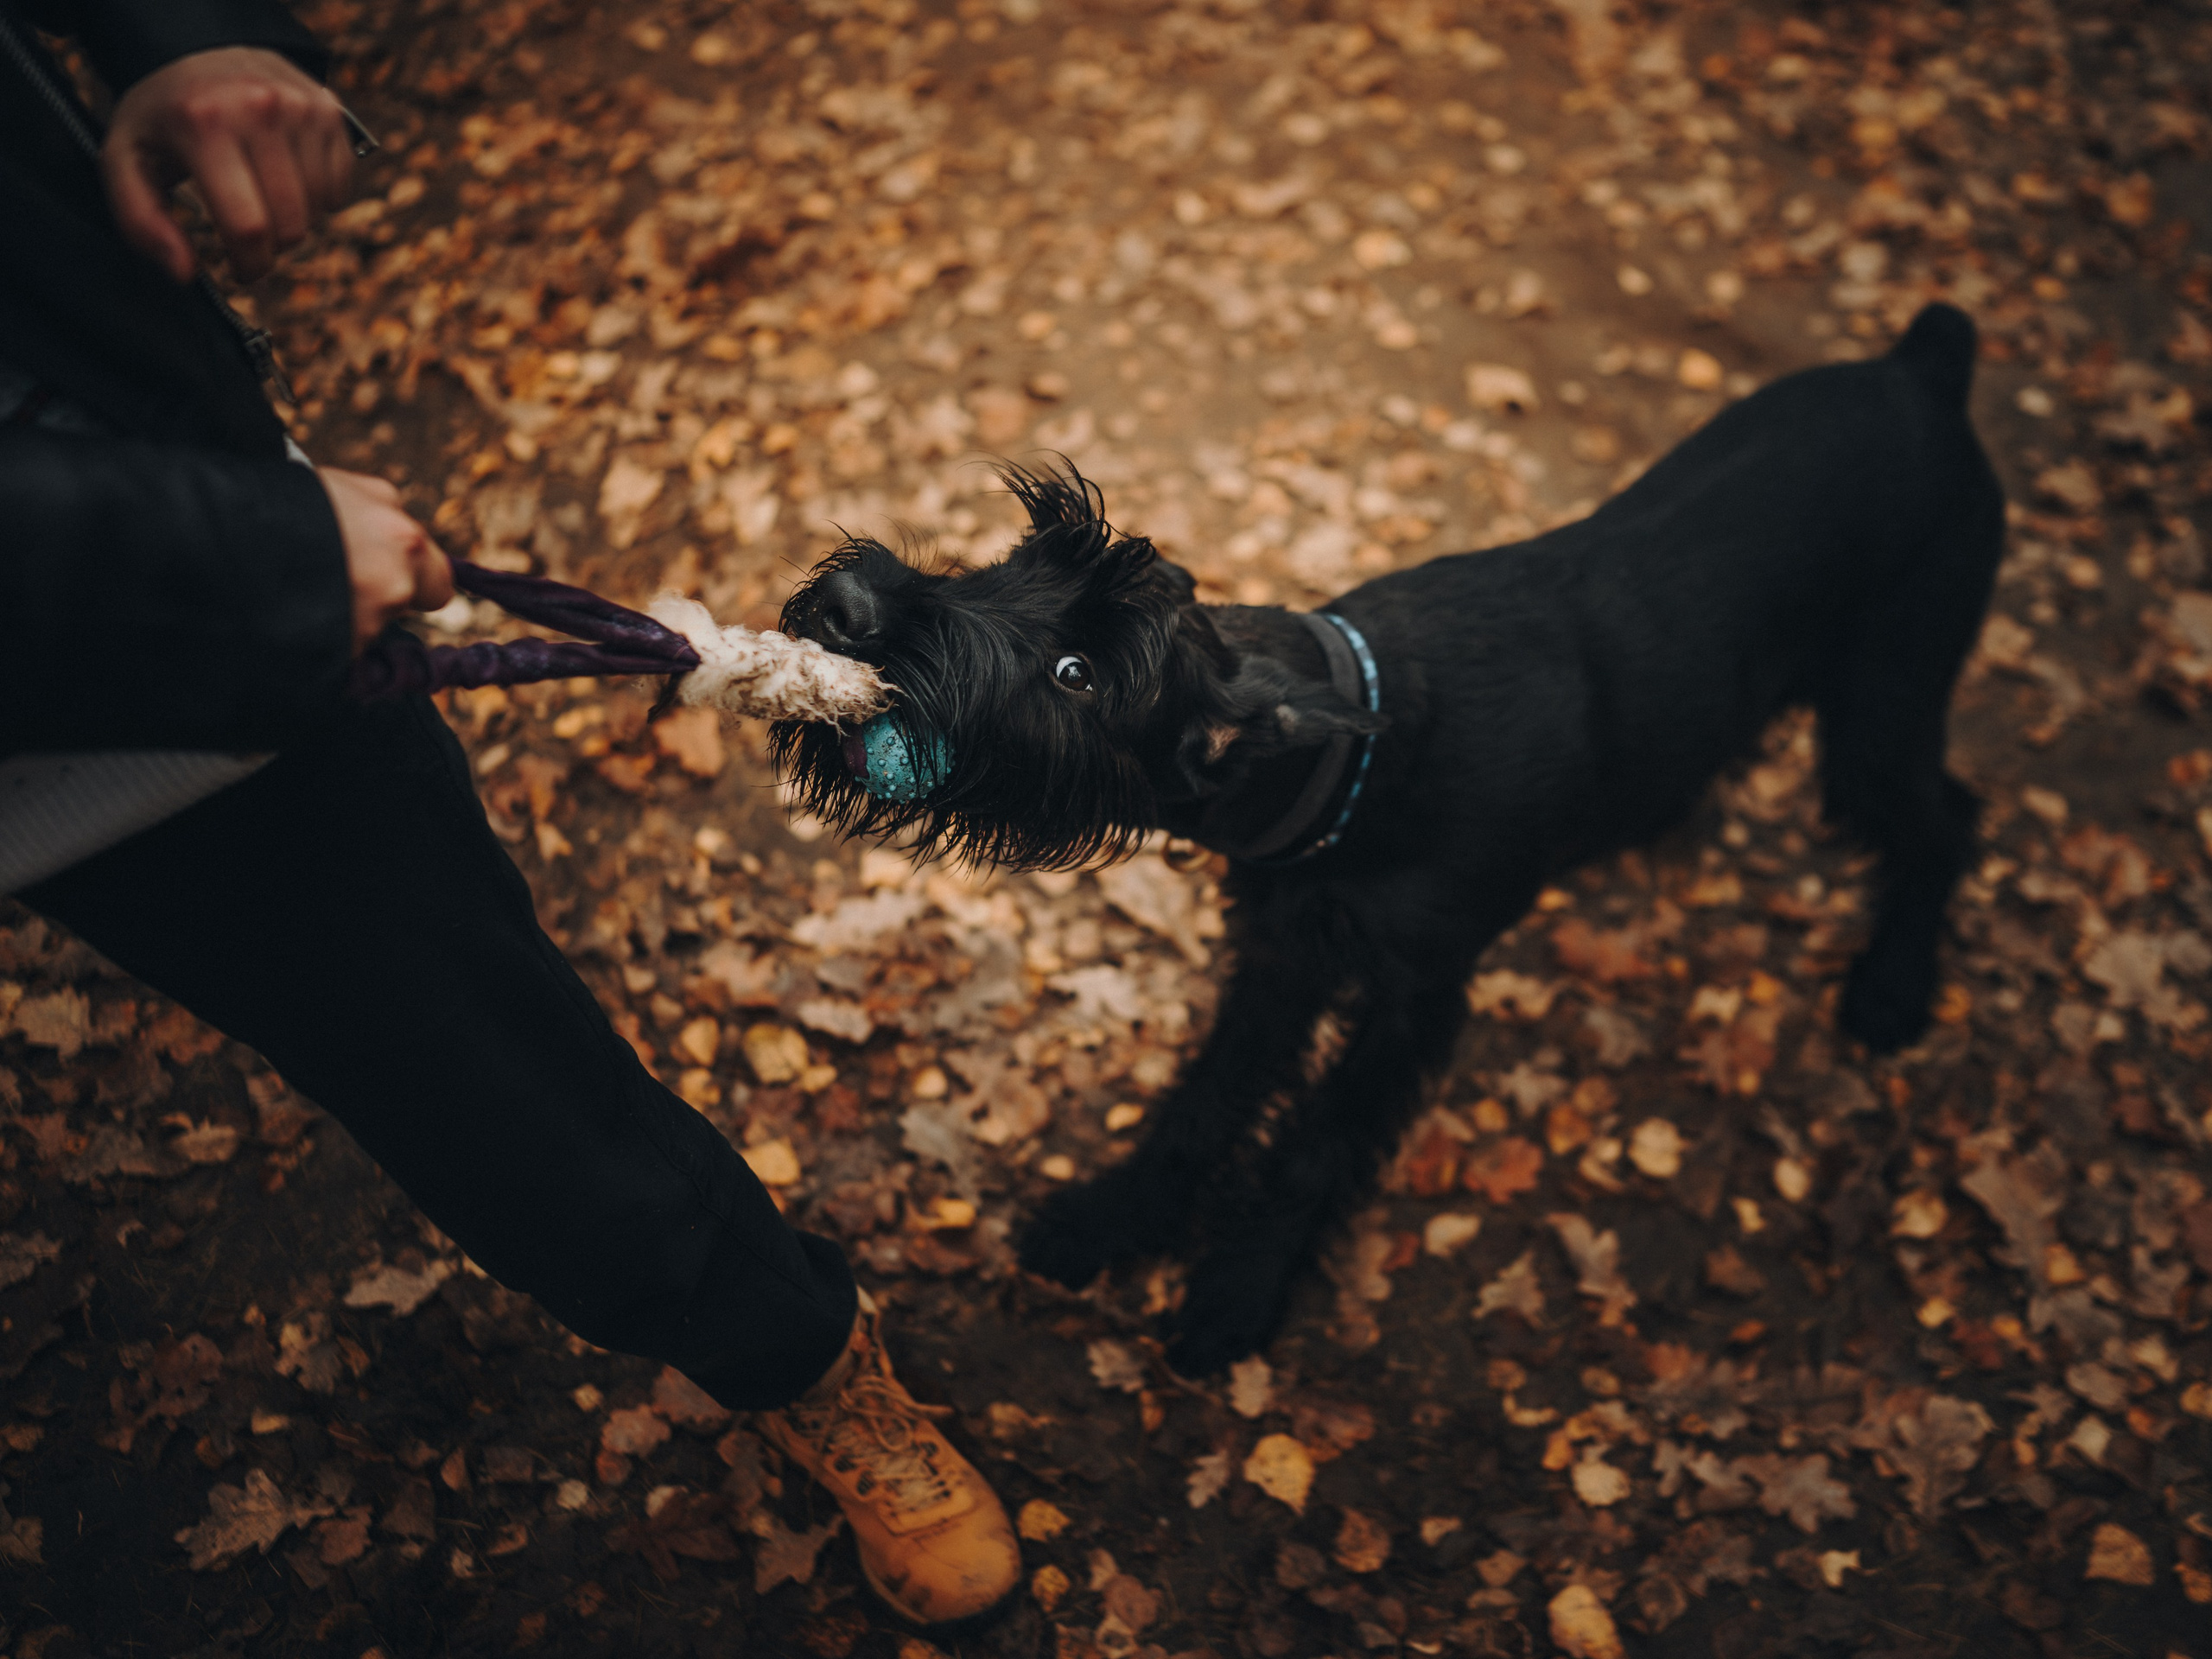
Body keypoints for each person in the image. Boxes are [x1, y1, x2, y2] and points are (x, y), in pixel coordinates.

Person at [0, 0, 1018, 1627]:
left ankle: (794, 1345)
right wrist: (217, 557)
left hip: (221, 585)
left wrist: (187, 36)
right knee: (459, 1094)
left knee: (491, 1068)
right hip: (85, 704)